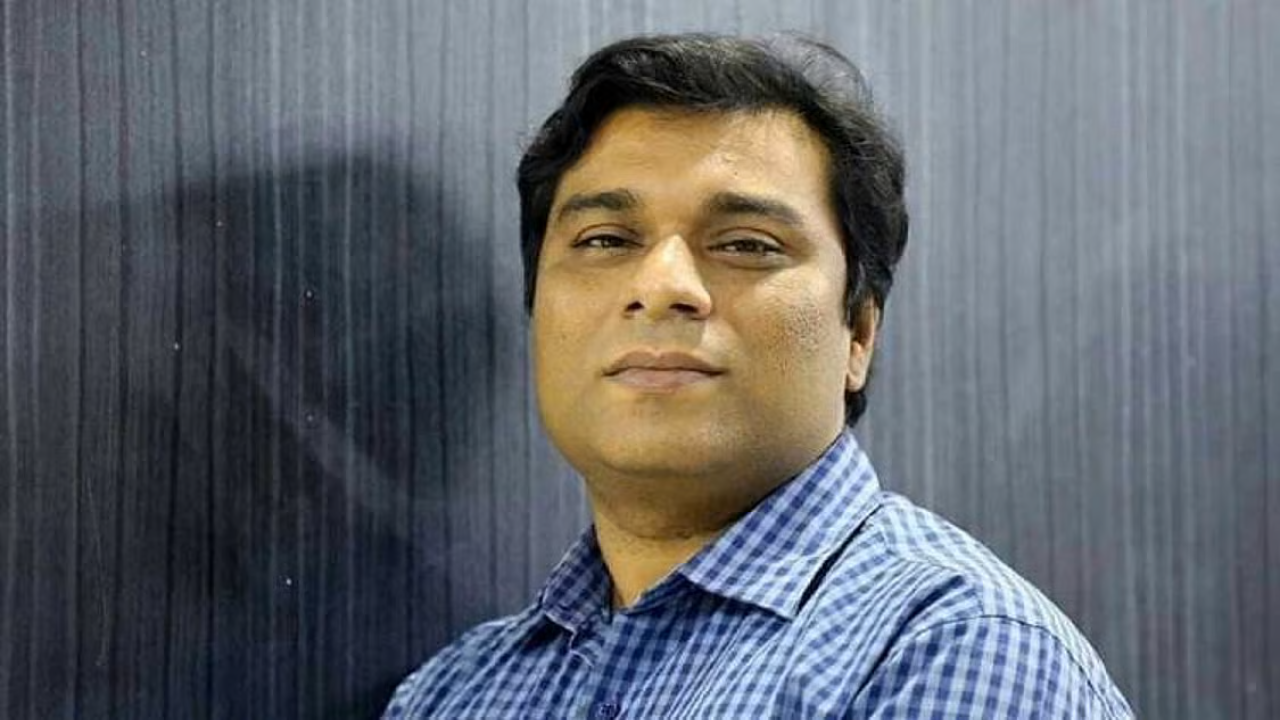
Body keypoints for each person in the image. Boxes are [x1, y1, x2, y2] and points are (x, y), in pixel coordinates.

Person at [384, 33, 1134, 718]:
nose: (663, 286)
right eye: (606, 239)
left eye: (746, 244)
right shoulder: (454, 693)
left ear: (858, 332)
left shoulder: (956, 650)